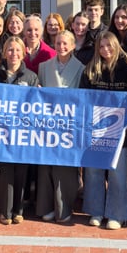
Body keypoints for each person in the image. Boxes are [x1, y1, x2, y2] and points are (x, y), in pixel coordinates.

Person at [80, 31, 127, 230]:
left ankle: (116, 214)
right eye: (101, 47)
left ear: (116, 46)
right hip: (94, 130)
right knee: (93, 172)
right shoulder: (91, 70)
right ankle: (95, 211)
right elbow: (82, 98)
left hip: (119, 132)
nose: (105, 50)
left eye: (109, 46)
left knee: (117, 174)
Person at [0, 36, 39, 224]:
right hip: (1, 132)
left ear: (24, 52)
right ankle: (5, 211)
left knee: (21, 171)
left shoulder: (31, 77)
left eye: (17, 50)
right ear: (4, 52)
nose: (14, 54)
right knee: (5, 170)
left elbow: (37, 107)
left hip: (22, 133)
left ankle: (19, 209)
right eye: (10, 50)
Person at [37, 31, 84, 224]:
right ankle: (46, 206)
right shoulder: (44, 66)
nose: (61, 47)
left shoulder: (81, 68)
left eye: (65, 43)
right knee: (46, 166)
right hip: (48, 123)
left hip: (69, 124)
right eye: (58, 43)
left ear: (73, 45)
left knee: (64, 167)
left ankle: (64, 207)